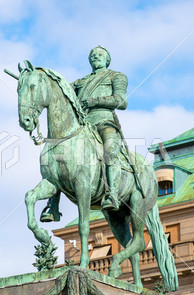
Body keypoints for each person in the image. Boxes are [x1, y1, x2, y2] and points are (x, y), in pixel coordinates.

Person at [40, 46, 128, 222]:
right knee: (58, 156)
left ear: (107, 59)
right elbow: (60, 90)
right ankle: (53, 206)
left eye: (100, 54)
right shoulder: (80, 82)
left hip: (104, 122)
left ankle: (112, 194)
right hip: (82, 126)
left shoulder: (116, 76)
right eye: (93, 55)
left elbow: (121, 101)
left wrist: (93, 101)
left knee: (110, 150)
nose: (96, 56)